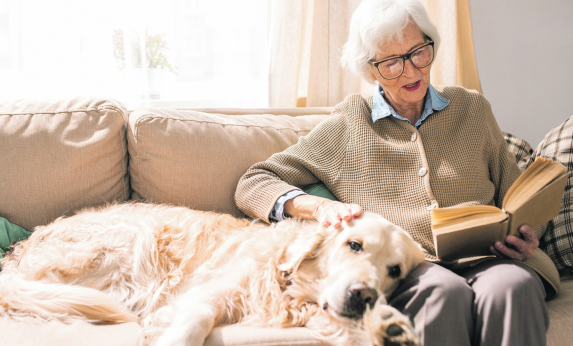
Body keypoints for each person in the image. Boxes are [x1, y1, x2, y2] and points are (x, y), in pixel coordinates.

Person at [234, 0, 559, 345]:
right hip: (411, 268)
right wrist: (319, 208)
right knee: (444, 293)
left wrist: (524, 235)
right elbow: (254, 182)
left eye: (418, 52)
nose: (411, 71)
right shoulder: (349, 123)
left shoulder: (472, 108)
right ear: (370, 70)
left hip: (488, 256)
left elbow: (515, 196)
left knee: (515, 286)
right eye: (391, 63)